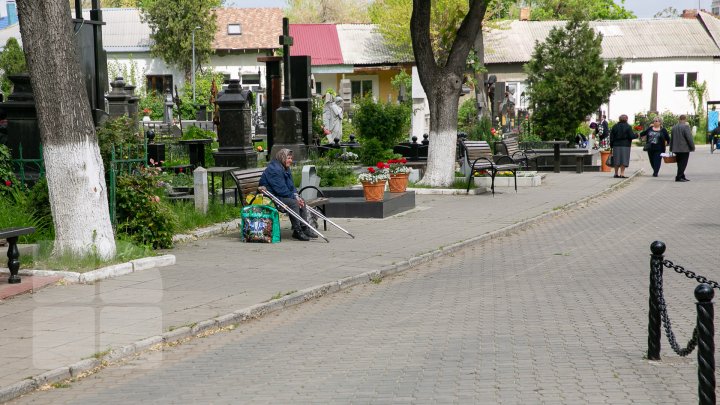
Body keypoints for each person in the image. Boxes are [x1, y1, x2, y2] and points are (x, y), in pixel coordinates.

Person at [259, 149, 316, 241]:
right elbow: (280, 190)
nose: (290, 160)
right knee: (294, 203)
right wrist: (295, 198)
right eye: (288, 158)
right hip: (270, 197)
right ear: (282, 158)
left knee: (301, 201)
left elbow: (291, 185)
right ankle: (297, 231)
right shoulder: (275, 170)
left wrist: (297, 196)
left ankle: (304, 227)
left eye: (291, 158)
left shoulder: (285, 167)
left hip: (280, 194)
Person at [609, 114, 636, 178]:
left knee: (616, 159)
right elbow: (631, 136)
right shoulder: (628, 127)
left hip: (616, 145)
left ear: (619, 119)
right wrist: (636, 135)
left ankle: (616, 173)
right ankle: (622, 174)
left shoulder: (615, 126)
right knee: (624, 159)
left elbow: (611, 137)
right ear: (626, 119)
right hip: (625, 145)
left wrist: (611, 145)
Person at [670, 114, 695, 182]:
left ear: (679, 119)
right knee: (683, 163)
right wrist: (692, 147)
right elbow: (689, 138)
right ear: (685, 119)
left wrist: (671, 148)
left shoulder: (674, 127)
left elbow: (671, 139)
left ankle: (682, 176)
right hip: (684, 149)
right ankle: (679, 177)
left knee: (679, 163)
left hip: (675, 149)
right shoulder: (686, 127)